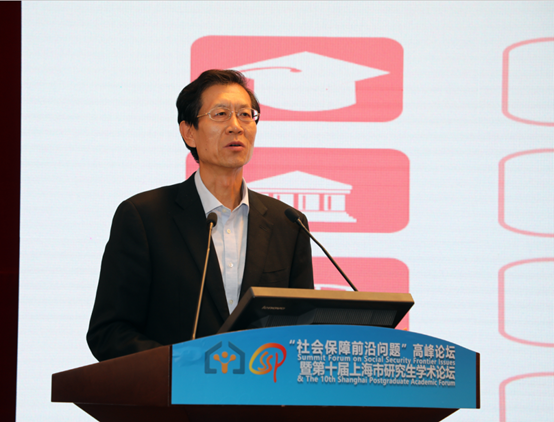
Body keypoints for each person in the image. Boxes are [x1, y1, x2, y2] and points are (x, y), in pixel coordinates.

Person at [87, 70, 314, 361]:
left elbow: (302, 330)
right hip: (178, 388)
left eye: (245, 115)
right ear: (189, 132)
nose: (236, 127)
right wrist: (185, 364)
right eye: (220, 114)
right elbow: (109, 333)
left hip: (262, 386)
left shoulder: (288, 224)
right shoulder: (144, 218)